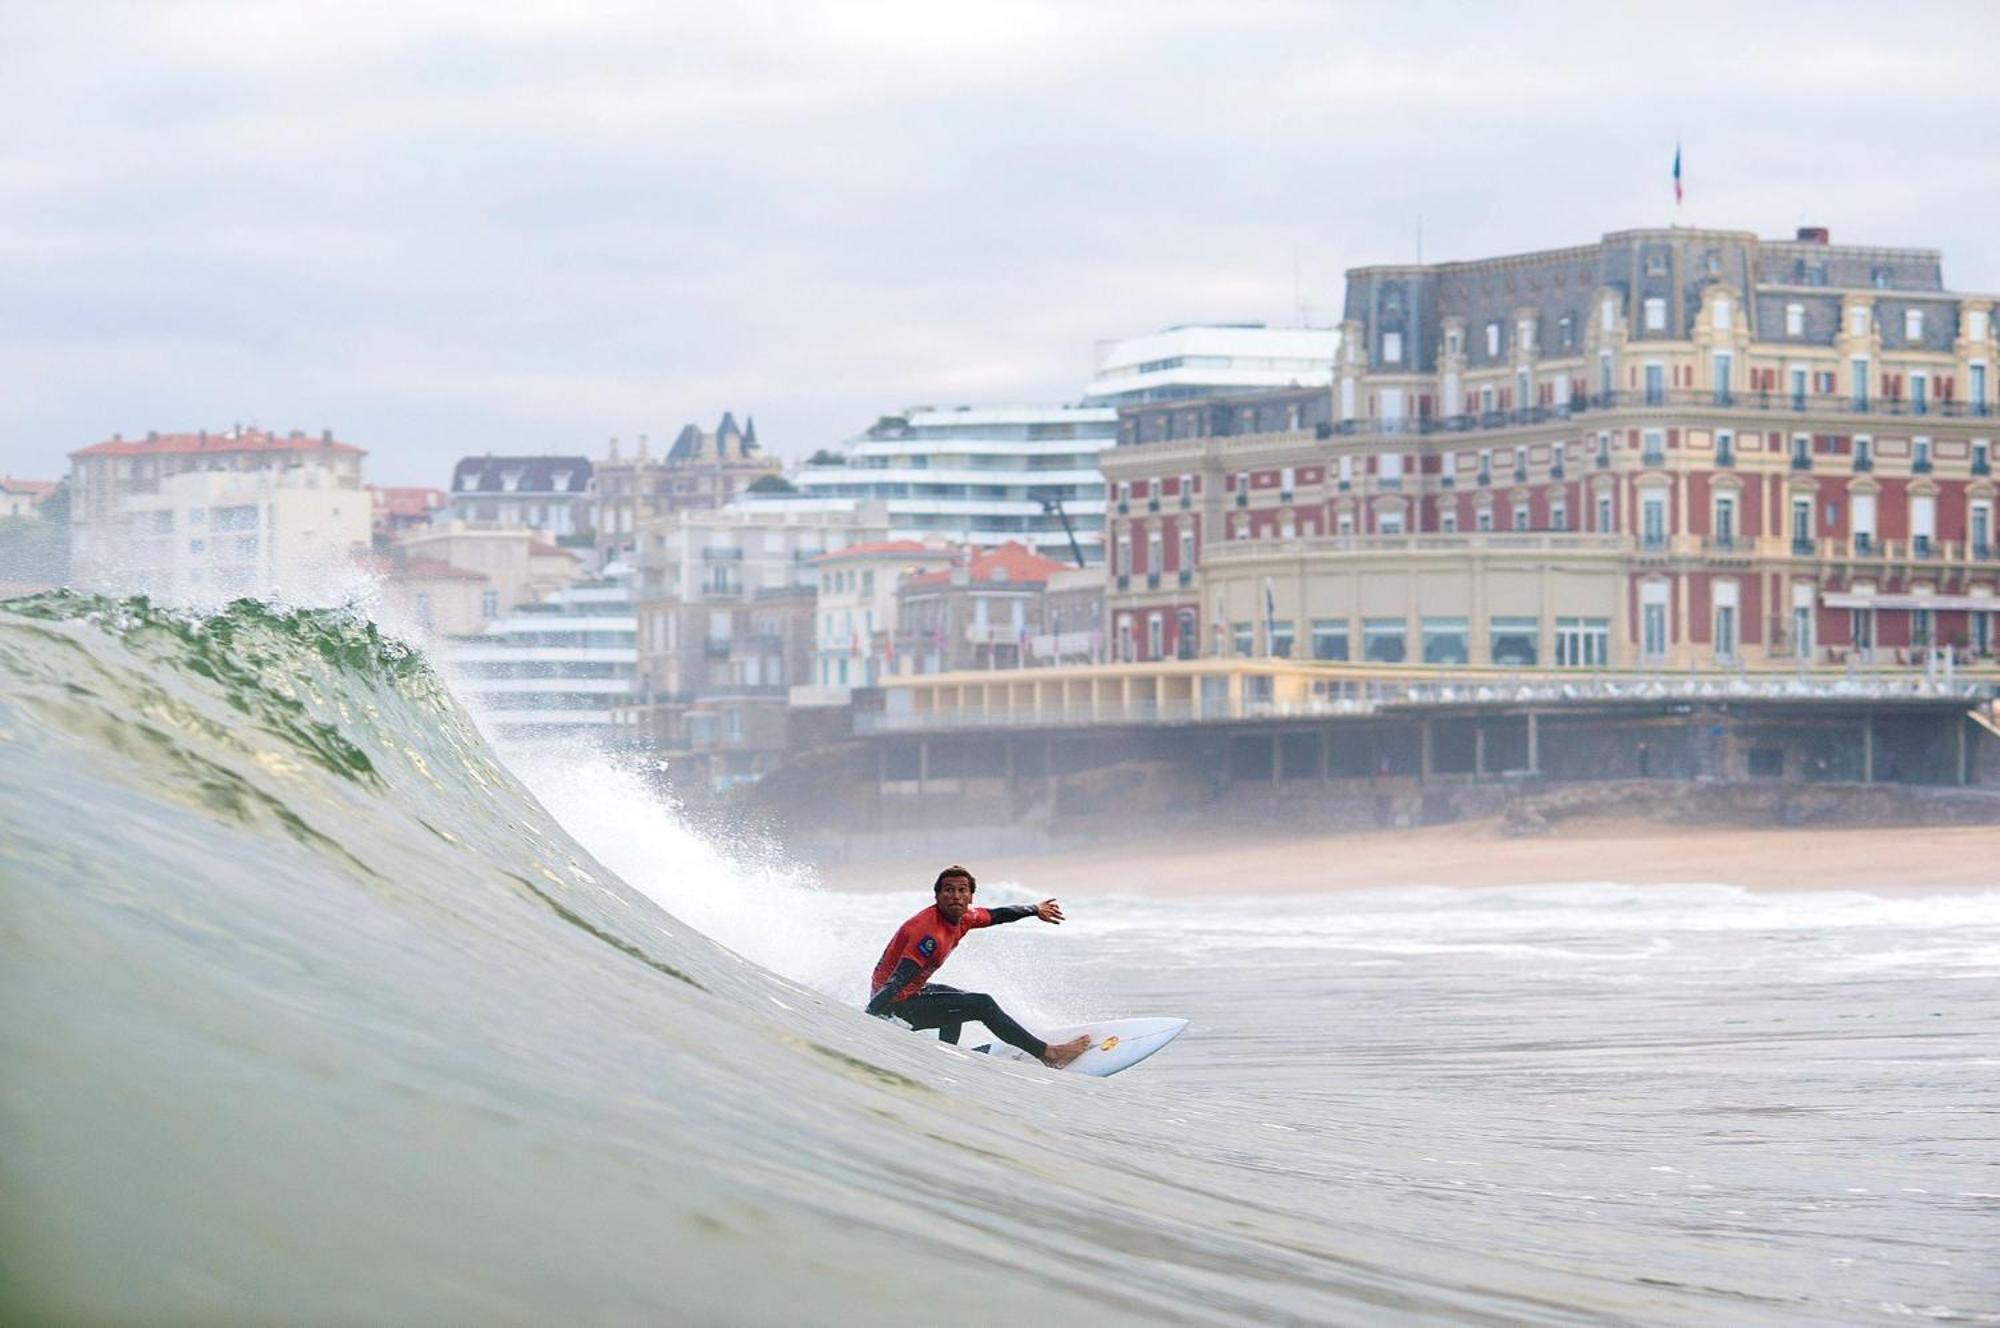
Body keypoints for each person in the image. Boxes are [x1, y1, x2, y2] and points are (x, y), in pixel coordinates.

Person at [865, 865, 1091, 1069]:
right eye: (949, 890)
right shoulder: (927, 934)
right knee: (981, 1003)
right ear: (937, 896)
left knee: (960, 1000)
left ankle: (945, 1058)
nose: (956, 896)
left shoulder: (966, 917)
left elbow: (999, 915)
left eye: (962, 890)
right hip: (892, 1004)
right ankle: (1049, 1054)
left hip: (909, 992)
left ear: (971, 896)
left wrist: (1034, 908)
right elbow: (897, 981)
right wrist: (867, 1022)